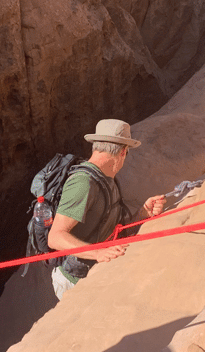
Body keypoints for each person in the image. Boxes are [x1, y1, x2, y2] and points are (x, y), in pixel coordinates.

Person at [47, 119, 166, 300]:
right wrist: (97, 252)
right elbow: (55, 237)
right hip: (75, 280)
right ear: (123, 152)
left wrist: (143, 213)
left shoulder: (107, 180)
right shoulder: (83, 183)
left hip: (96, 272)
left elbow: (110, 229)